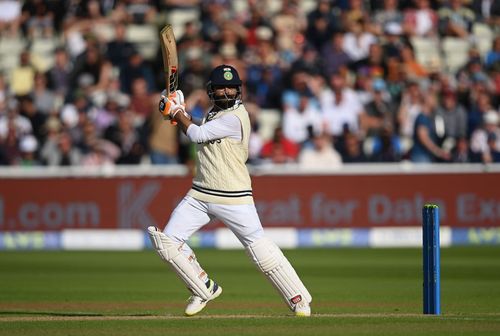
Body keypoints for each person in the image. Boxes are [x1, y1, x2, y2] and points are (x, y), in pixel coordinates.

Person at [147, 64, 312, 317]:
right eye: (221, 88)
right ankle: (203, 287)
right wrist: (178, 110)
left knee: (259, 249)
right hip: (200, 193)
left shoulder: (236, 117)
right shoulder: (214, 113)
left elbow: (197, 135)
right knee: (167, 242)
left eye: (231, 88)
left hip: (233, 195)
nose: (226, 92)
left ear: (239, 91)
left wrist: (177, 112)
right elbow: (194, 126)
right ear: (211, 91)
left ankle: (299, 300)